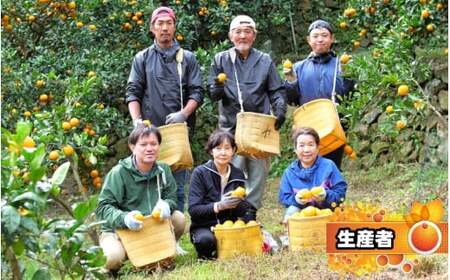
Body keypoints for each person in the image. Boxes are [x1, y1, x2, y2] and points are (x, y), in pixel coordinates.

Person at [125, 6, 204, 213]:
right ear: (152, 28)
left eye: (169, 23)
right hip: (149, 133)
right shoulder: (142, 58)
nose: (165, 28)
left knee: (176, 187)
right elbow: (133, 92)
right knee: (148, 186)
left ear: (174, 27)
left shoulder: (187, 58)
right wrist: (137, 122)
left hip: (178, 132)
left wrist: (184, 114)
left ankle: (174, 235)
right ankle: (151, 234)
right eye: (160, 24)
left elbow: (197, 92)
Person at [207, 15, 287, 210]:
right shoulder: (221, 59)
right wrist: (216, 87)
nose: (242, 36)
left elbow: (276, 90)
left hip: (259, 127)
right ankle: (227, 213)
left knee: (258, 174)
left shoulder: (265, 60)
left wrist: (280, 110)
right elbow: (213, 93)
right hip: (230, 128)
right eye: (238, 32)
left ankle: (249, 213)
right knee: (229, 172)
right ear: (230, 36)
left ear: (254, 35)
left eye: (247, 32)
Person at [96, 124, 186, 272]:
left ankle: (166, 250)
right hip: (120, 229)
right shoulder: (119, 173)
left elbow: (171, 198)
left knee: (179, 218)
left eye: (153, 144)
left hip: (152, 226)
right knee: (112, 259)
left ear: (159, 146)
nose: (149, 148)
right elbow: (103, 208)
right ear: (132, 147)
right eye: (143, 144)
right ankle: (125, 254)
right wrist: (124, 218)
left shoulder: (163, 169)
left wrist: (167, 206)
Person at [284, 19, 355, 169]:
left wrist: (347, 73)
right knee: (308, 167)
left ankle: (331, 192)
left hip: (335, 125)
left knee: (332, 168)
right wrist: (290, 80)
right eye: (315, 36)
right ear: (309, 40)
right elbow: (292, 100)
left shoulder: (340, 65)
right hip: (308, 126)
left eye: (324, 35)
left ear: (332, 38)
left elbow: (350, 94)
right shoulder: (298, 68)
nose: (320, 39)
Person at [188, 129, 256, 259]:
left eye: (227, 148)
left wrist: (248, 215)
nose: (223, 153)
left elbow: (241, 207)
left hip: (228, 225)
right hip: (204, 226)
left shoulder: (238, 174)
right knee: (206, 242)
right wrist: (219, 206)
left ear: (233, 150)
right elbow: (193, 210)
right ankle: (207, 251)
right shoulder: (200, 173)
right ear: (211, 151)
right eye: (218, 148)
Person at [278, 127, 347, 223]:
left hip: (327, 211)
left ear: (318, 147)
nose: (306, 150)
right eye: (301, 145)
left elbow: (340, 193)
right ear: (295, 149)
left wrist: (326, 195)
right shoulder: (289, 173)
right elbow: (284, 198)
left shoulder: (328, 166)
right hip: (302, 214)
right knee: (292, 211)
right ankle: (294, 234)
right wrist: (296, 200)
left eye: (311, 145)